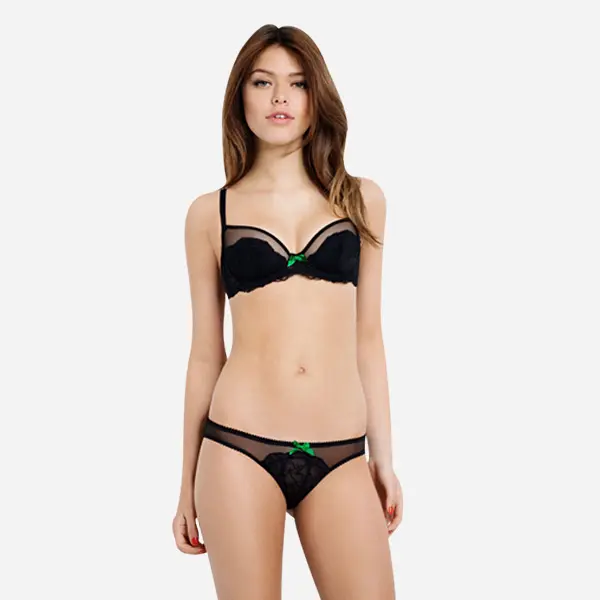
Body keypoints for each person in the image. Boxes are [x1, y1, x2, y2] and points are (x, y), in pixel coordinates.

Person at [172, 23, 403, 599]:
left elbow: (369, 338)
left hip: (341, 453)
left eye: (297, 83)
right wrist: (185, 483)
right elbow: (205, 354)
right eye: (263, 82)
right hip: (238, 447)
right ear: (240, 96)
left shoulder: (361, 200)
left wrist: (384, 458)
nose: (280, 97)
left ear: (315, 97)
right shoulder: (209, 214)